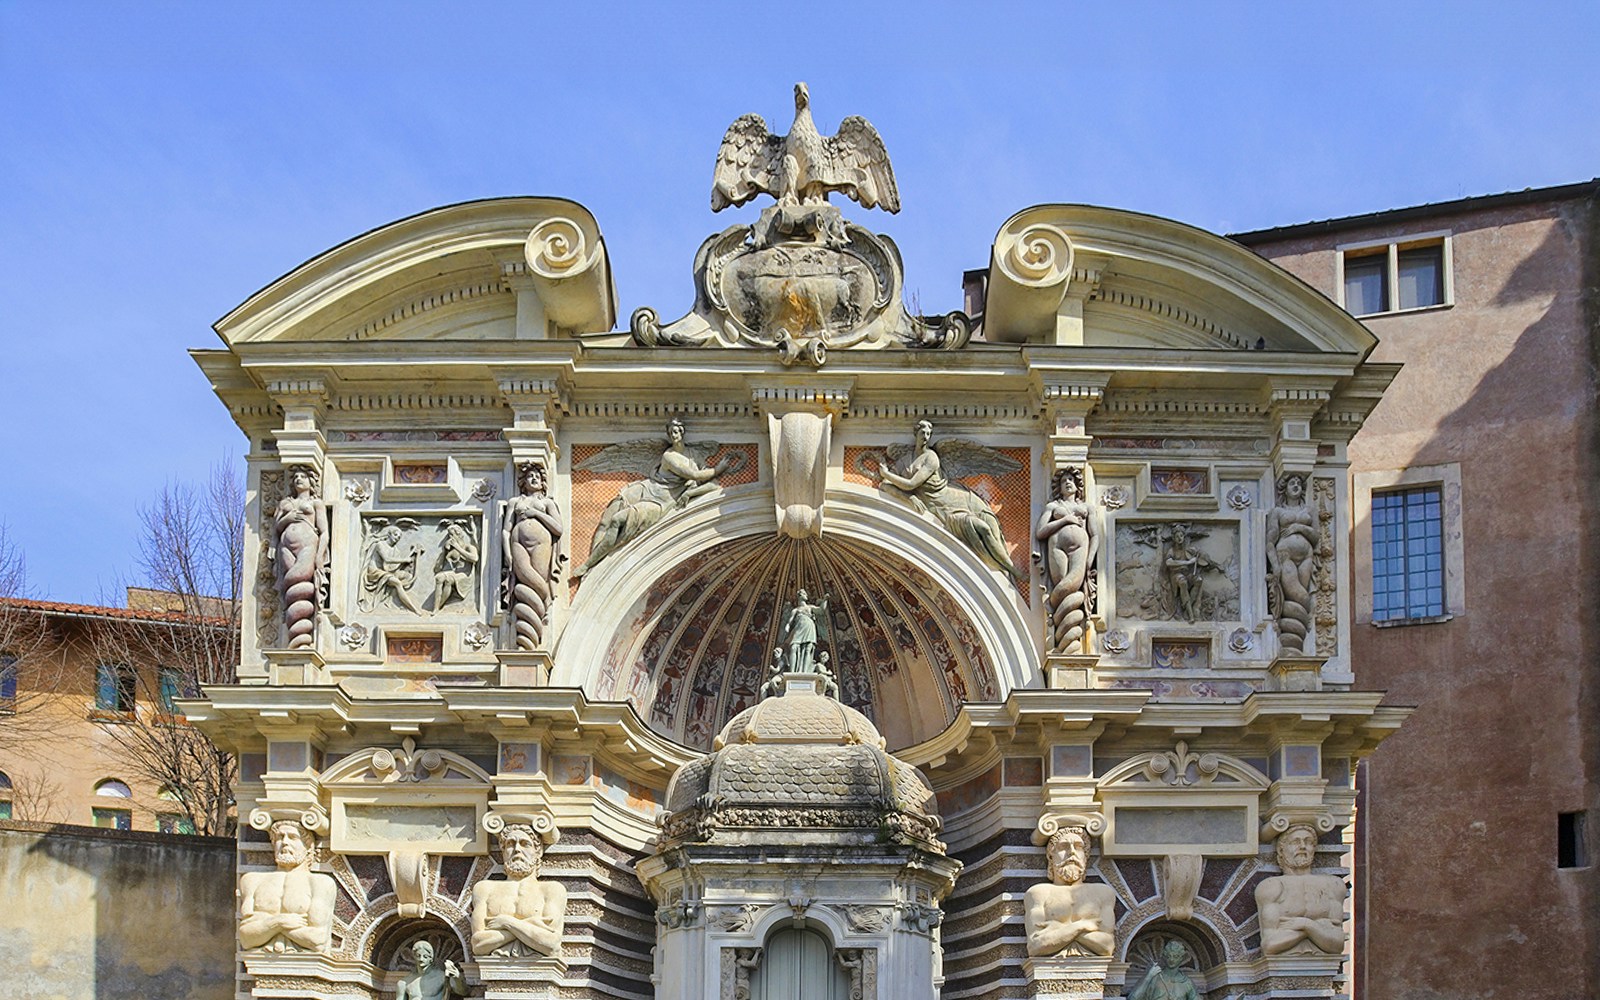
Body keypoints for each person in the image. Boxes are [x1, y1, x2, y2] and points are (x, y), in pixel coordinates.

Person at [578, 418, 734, 575]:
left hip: (661, 501)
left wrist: (691, 492)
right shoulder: (668, 455)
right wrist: (718, 469)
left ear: (682, 432)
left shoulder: (695, 456)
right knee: (609, 514)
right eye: (671, 432)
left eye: (676, 431)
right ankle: (593, 564)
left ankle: (589, 565)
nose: (673, 435)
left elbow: (713, 485)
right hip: (649, 487)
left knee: (617, 520)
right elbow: (695, 475)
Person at [875, 420, 1021, 579]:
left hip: (957, 498)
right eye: (923, 433)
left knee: (991, 524)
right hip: (942, 508)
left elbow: (911, 484)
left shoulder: (932, 457)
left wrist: (887, 474)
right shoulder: (904, 462)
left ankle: (1010, 571)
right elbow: (885, 486)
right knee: (982, 528)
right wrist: (908, 498)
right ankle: (1006, 569)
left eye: (929, 434)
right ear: (915, 434)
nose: (926, 437)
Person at [237, 821, 336, 954]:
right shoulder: (252, 880)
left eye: (293, 837)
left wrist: (263, 925)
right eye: (279, 837)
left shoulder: (320, 883)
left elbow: (317, 940)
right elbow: (246, 938)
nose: (284, 842)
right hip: (261, 965)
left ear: (308, 847)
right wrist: (279, 922)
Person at [470, 824, 567, 958]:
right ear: (503, 852)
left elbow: (551, 944)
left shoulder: (551, 890)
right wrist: (531, 926)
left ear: (538, 852)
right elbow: (478, 945)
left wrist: (507, 922)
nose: (517, 850)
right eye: (510, 844)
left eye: (524, 844)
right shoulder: (485, 889)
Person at [1023, 827, 1115, 958]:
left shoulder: (1102, 893)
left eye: (1078, 847)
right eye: (1063, 847)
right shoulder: (1039, 893)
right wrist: (1082, 926)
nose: (1071, 853)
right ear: (1051, 855)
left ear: (1086, 856)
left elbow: (1107, 947)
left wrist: (1058, 928)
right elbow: (1035, 946)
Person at [1255, 825, 1346, 956]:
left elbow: (1337, 945)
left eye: (1308, 842)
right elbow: (1270, 945)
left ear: (1314, 849)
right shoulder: (1271, 887)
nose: (1303, 846)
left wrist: (1306, 925)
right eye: (1295, 842)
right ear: (1281, 850)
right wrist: (1319, 928)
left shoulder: (1333, 885)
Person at [502, 462, 564, 650]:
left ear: (543, 482)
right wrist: (507, 553)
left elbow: (558, 528)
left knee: (537, 583)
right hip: (518, 544)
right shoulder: (515, 501)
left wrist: (535, 513)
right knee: (524, 581)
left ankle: (532, 642)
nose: (534, 478)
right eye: (530, 476)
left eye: (537, 476)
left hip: (541, 545)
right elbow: (506, 529)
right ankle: (524, 643)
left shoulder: (547, 503)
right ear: (523, 481)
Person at [1035, 469, 1098, 654]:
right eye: (1064, 481)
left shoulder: (1087, 508)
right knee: (1062, 588)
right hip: (1057, 547)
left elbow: (1094, 535)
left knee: (1073, 585)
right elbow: (1041, 531)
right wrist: (1065, 521)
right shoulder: (1053, 507)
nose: (1068, 483)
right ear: (1059, 486)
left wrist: (1091, 558)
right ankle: (1062, 646)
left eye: (1071, 480)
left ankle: (1072, 650)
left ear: (1078, 485)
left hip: (1080, 548)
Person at [274, 466, 328, 648]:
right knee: (290, 584)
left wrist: (320, 556)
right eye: (295, 476)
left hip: (307, 546)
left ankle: (300, 643)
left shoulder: (315, 503)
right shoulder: (285, 503)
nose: (298, 479)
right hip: (286, 548)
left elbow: (324, 531)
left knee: (300, 581)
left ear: (311, 481)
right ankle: (295, 641)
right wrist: (288, 518)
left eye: (303, 476)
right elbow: (277, 526)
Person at [1265, 474, 1319, 654]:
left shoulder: (1309, 511)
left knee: (1302, 597)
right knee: (1297, 595)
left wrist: (1299, 528)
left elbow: (1316, 537)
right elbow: (1270, 542)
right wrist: (1276, 566)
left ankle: (1298, 648)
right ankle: (1292, 651)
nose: (1295, 486)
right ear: (1284, 488)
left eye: (1298, 483)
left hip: (1306, 557)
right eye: (1291, 483)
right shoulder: (1278, 512)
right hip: (1285, 556)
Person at [361, 524, 424, 614]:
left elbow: (393, 567)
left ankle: (391, 601)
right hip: (374, 572)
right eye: (396, 535)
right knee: (397, 583)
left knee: (408, 576)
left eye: (399, 537)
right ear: (389, 534)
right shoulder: (380, 544)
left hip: (385, 571)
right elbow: (387, 559)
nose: (397, 538)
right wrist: (404, 559)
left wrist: (412, 555)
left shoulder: (395, 550)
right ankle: (413, 609)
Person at [394, 940, 466, 1000]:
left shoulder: (441, 976)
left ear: (431, 958)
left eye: (425, 956)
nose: (421, 959)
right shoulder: (404, 982)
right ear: (414, 957)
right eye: (418, 956)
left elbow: (463, 991)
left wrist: (457, 978)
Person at [1129, 941, 1200, 1000]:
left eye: (1175, 957)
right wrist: (1149, 976)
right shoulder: (1154, 977)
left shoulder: (1187, 983)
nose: (1171, 960)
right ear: (1164, 957)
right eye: (1169, 956)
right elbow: (1133, 998)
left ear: (1181, 959)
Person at [432, 521, 479, 610]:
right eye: (449, 535)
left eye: (452, 535)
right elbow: (437, 569)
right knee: (439, 578)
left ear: (459, 535)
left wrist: (458, 547)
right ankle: (435, 607)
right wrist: (444, 551)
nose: (451, 537)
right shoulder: (453, 552)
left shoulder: (469, 547)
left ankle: (439, 607)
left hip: (466, 574)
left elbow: (475, 558)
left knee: (449, 580)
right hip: (455, 572)